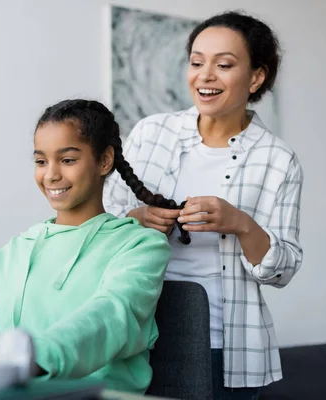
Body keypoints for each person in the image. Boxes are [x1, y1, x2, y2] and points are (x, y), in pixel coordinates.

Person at [103, 10, 304, 399]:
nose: (205, 75)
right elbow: (102, 223)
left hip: (224, 345)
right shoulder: (150, 132)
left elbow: (282, 270)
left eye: (224, 64)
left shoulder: (278, 160)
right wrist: (137, 218)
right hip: (137, 330)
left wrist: (241, 223)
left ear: (256, 77)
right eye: (197, 62)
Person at [0, 99, 174, 393]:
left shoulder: (141, 246)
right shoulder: (19, 248)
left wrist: (32, 356)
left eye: (67, 160)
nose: (51, 174)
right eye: (41, 161)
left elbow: (111, 315)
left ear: (104, 161)